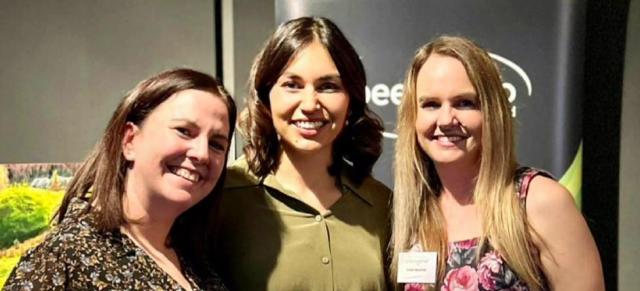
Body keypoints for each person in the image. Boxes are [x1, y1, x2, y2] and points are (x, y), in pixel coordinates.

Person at [391, 36, 604, 291]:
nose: (446, 118)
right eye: (431, 104)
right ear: (412, 117)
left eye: (464, 103)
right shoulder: (411, 214)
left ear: (493, 111)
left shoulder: (538, 202)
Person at [4, 68, 236, 290]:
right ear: (130, 141)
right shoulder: (64, 258)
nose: (202, 153)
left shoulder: (199, 264)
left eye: (216, 144)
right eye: (184, 131)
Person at [210, 16, 391, 290]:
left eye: (328, 86)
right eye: (292, 85)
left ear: (351, 101)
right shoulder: (221, 198)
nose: (309, 104)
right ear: (266, 97)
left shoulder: (382, 205)